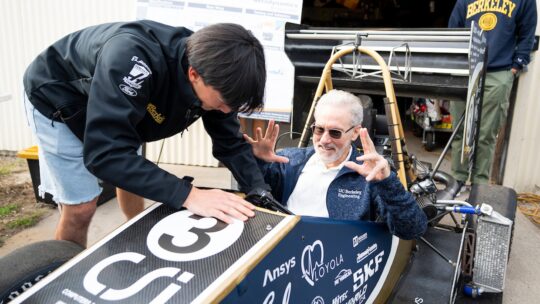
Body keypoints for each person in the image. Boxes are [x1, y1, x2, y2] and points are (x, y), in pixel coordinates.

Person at [23, 20, 270, 247]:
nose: (226, 110)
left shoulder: (216, 74)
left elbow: (230, 143)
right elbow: (105, 154)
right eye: (222, 102)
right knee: (82, 207)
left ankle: (136, 234)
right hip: (58, 97)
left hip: (116, 98)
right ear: (193, 74)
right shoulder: (131, 60)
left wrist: (259, 190)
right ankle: (64, 276)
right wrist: (189, 195)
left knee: (133, 169)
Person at [244, 90, 427, 240]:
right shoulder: (287, 160)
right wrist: (257, 163)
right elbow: (253, 197)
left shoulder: (371, 174)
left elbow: (412, 229)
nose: (324, 140)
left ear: (355, 133)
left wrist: (387, 183)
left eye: (335, 133)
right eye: (319, 129)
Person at [448, 0, 537, 186]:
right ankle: (457, 180)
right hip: (466, 70)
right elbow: (453, 30)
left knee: (486, 133)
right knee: (460, 130)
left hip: (498, 72)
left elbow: (527, 33)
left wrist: (515, 66)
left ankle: (479, 184)